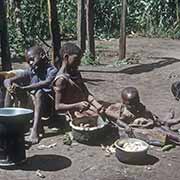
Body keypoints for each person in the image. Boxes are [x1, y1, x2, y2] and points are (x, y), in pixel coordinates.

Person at [4, 46, 58, 144]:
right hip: (32, 104)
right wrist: (9, 87)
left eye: (32, 59)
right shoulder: (31, 71)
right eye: (28, 61)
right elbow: (8, 80)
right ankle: (5, 122)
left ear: (42, 55)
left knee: (39, 92)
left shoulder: (52, 70)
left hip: (47, 107)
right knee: (12, 88)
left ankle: (35, 130)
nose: (30, 63)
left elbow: (46, 83)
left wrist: (24, 89)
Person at [105, 87, 180, 145]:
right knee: (164, 133)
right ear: (124, 103)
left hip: (148, 125)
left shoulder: (140, 106)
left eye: (136, 103)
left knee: (163, 128)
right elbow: (118, 121)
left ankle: (168, 126)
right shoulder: (124, 112)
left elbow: (149, 115)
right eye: (130, 105)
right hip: (141, 129)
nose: (134, 106)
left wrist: (151, 121)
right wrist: (126, 126)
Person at [53, 43, 104, 121]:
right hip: (71, 112)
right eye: (76, 59)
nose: (79, 63)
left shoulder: (76, 73)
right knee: (93, 120)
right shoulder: (61, 80)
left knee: (107, 113)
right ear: (66, 57)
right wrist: (77, 105)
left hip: (83, 108)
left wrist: (97, 105)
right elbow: (58, 106)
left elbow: (86, 93)